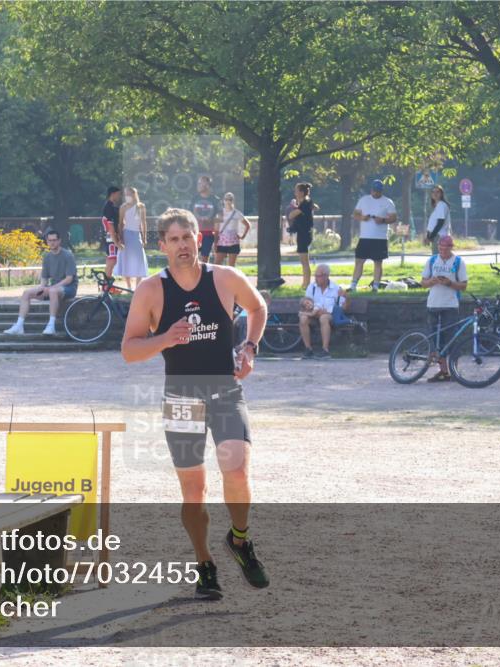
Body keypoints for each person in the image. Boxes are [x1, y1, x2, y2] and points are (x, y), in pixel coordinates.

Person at [121, 207, 270, 600]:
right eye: (173, 240)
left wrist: (249, 347)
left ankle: (239, 540)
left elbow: (257, 308)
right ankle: (205, 564)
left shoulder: (224, 278)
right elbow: (130, 350)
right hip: (182, 395)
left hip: (224, 388)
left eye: (187, 238)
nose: (182, 246)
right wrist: (165, 338)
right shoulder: (151, 290)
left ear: (198, 240)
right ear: (163, 246)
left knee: (236, 468)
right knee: (194, 491)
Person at [4, 229, 77, 336]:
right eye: (49, 240)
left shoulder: (67, 255)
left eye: (54, 240)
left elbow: (69, 279)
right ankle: (19, 325)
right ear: (47, 241)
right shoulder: (47, 257)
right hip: (52, 288)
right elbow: (44, 279)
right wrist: (41, 288)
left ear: (59, 241)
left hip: (69, 288)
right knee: (27, 293)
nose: (52, 243)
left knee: (52, 291)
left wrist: (50, 288)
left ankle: (51, 325)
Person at [420, 235, 468, 382]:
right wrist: (431, 282)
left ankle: (454, 370)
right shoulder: (432, 260)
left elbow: (464, 285)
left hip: (450, 304)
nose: (442, 251)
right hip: (433, 303)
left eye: (445, 248)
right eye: (440, 248)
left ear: (451, 247)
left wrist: (450, 283)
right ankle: (444, 371)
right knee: (435, 339)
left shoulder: (458, 262)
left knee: (451, 338)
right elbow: (422, 282)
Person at [349, 179, 397, 292]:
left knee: (378, 262)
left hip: (380, 238)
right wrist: (363, 218)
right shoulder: (364, 200)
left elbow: (394, 218)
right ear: (371, 190)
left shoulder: (388, 202)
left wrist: (383, 220)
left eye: (378, 191)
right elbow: (355, 214)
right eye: (375, 191)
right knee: (359, 261)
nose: (376, 193)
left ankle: (375, 286)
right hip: (364, 237)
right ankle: (353, 286)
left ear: (382, 191)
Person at [298, 263, 343, 359]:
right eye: (315, 276)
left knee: (323, 318)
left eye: (318, 276)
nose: (315, 279)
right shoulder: (312, 287)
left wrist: (347, 298)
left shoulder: (336, 288)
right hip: (313, 313)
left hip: (329, 315)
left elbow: (341, 307)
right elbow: (306, 303)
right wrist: (314, 310)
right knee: (303, 318)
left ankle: (325, 350)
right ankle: (308, 349)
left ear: (326, 276)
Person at [116, 186, 149, 289]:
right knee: (126, 260)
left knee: (139, 260)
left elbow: (143, 223)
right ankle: (129, 286)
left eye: (129, 194)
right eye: (125, 194)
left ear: (134, 195)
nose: (127, 196)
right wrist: (120, 238)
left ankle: (138, 286)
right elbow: (120, 223)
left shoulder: (141, 207)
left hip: (136, 235)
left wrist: (144, 238)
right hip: (126, 234)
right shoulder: (123, 207)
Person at [286, 182, 317, 287]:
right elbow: (316, 207)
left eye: (296, 190)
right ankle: (306, 283)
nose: (294, 192)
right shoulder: (306, 202)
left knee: (304, 261)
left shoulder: (305, 203)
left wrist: (294, 208)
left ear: (302, 192)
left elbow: (291, 215)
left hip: (304, 234)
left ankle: (306, 284)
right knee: (304, 260)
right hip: (303, 233)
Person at [213, 192, 251, 267]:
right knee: (217, 265)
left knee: (231, 266)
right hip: (221, 242)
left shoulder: (237, 213)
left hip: (234, 242)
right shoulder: (219, 213)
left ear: (233, 201)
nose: (228, 201)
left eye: (230, 199)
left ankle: (231, 278)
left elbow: (247, 225)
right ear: (223, 201)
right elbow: (216, 230)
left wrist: (243, 236)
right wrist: (215, 243)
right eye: (226, 199)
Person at [189, 175, 222, 262]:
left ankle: (204, 275)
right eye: (198, 183)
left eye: (201, 182)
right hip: (195, 233)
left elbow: (220, 217)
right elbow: (189, 215)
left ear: (207, 184)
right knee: (193, 257)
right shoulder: (194, 199)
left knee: (204, 258)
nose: (199, 185)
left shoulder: (215, 200)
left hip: (209, 234)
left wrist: (212, 222)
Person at [100, 186, 123, 281]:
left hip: (113, 236)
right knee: (112, 260)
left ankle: (108, 285)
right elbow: (110, 225)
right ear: (113, 194)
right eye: (118, 194)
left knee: (111, 260)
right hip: (110, 237)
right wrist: (116, 241)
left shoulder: (112, 206)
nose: (119, 196)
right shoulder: (109, 207)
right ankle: (106, 285)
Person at [424, 185, 451, 254]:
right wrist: (428, 236)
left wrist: (430, 237)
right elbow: (432, 224)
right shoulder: (437, 206)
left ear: (441, 194)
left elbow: (440, 223)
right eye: (433, 192)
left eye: (437, 192)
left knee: (438, 259)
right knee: (437, 258)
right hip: (436, 236)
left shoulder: (441, 205)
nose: (435, 194)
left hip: (439, 236)